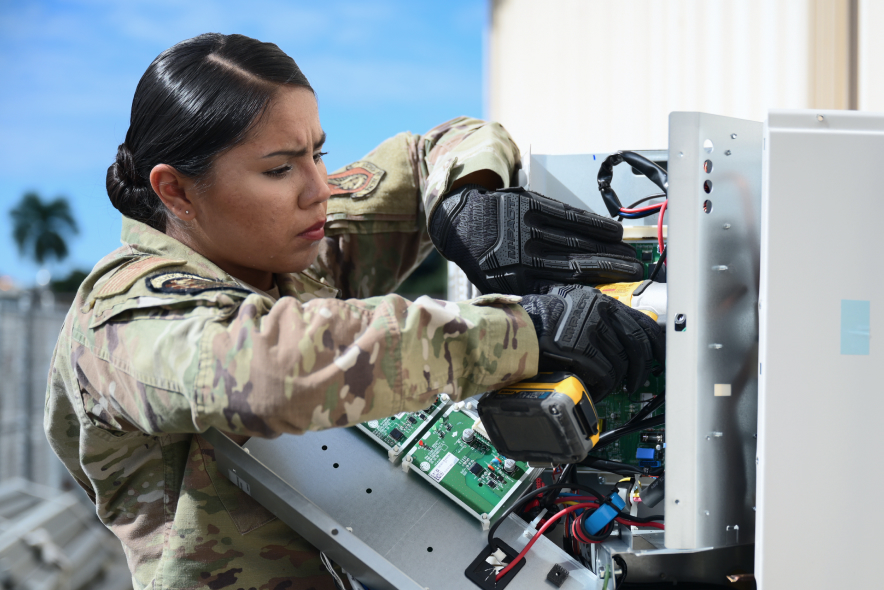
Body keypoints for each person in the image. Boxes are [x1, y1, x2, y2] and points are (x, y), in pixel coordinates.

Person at [44, 33, 662, 589]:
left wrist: (467, 200)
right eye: (281, 168)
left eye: (318, 152)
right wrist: (523, 332)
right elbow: (271, 369)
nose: (319, 187)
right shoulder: (121, 320)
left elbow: (435, 148)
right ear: (175, 190)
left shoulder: (291, 244)